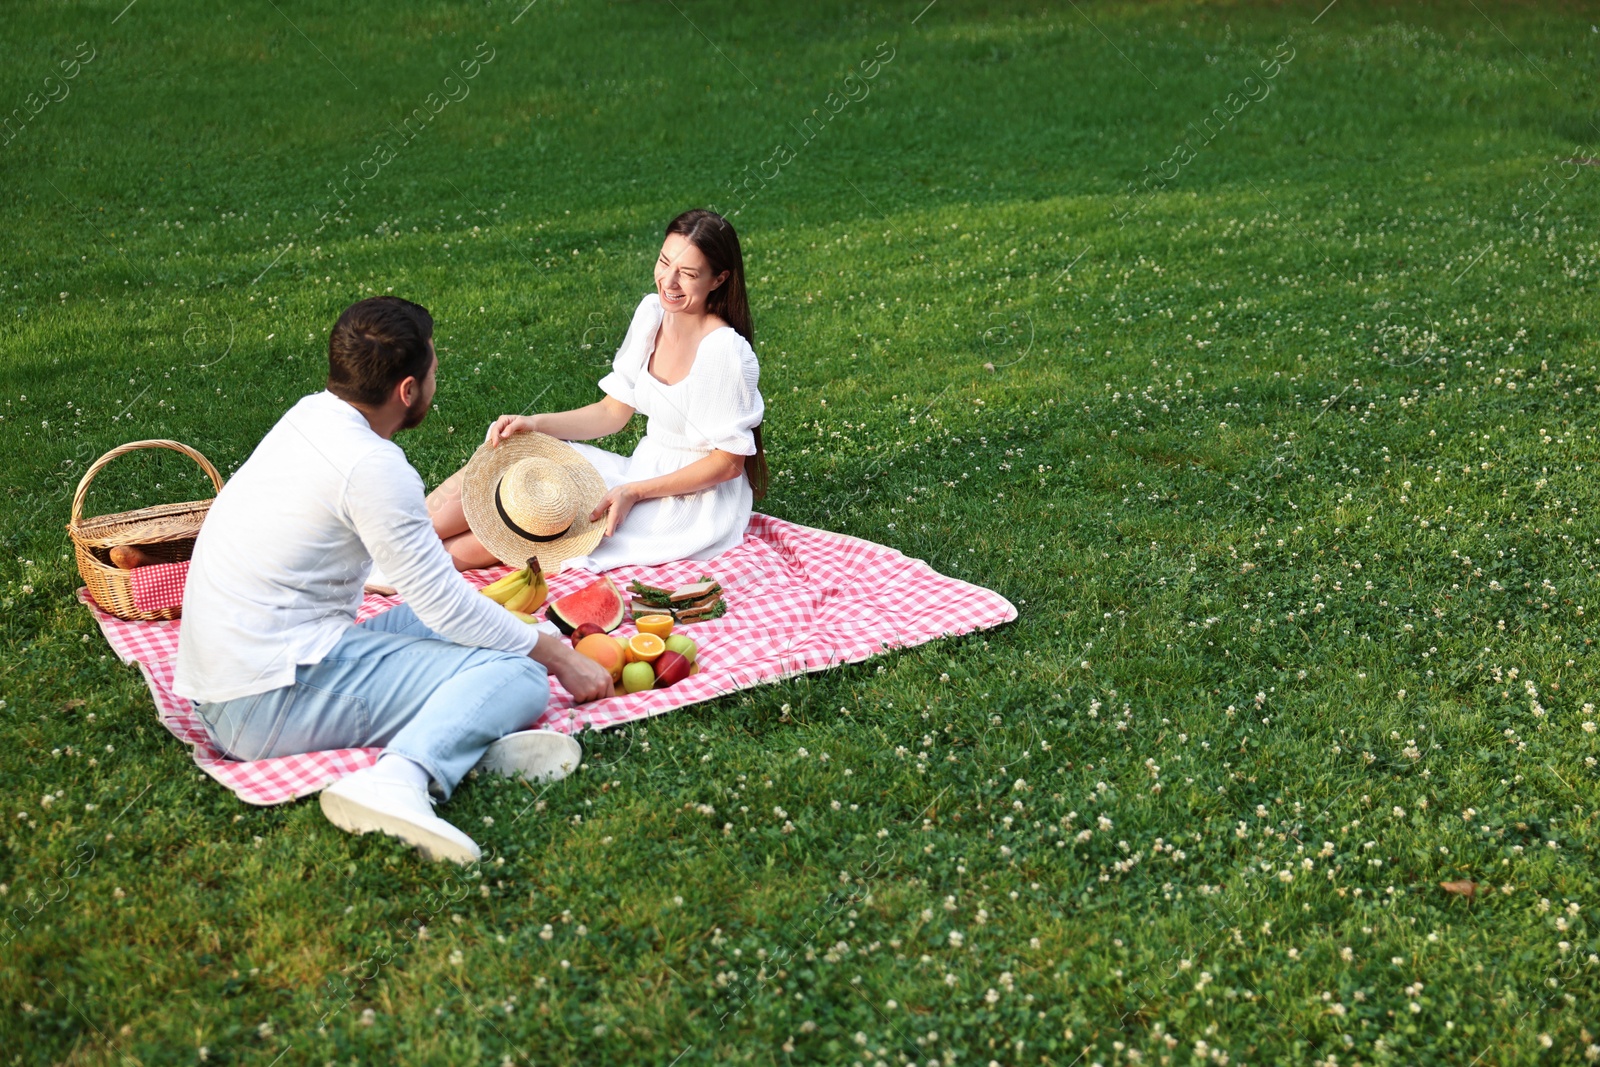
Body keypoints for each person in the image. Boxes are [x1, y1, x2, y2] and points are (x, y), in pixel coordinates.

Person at [172, 296, 614, 864]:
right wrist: (558, 655)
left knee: (493, 626)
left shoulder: (309, 414)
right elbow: (444, 609)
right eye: (433, 369)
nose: (437, 379)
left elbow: (441, 601)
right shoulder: (373, 467)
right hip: (261, 701)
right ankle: (398, 779)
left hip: (242, 669)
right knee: (522, 673)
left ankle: (466, 734)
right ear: (408, 390)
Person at [426, 208, 768, 572]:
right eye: (664, 262)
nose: (668, 282)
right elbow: (612, 412)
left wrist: (635, 492)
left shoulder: (725, 352)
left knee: (539, 526)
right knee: (511, 466)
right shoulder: (653, 313)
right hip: (641, 468)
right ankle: (395, 536)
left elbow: (729, 464)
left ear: (719, 279)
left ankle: (405, 569)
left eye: (687, 274)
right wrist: (535, 423)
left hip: (693, 501)